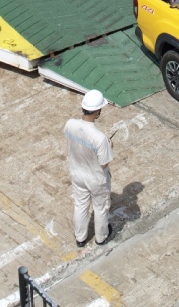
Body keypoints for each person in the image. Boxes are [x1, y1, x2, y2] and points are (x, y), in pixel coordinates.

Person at [64, 89, 112, 247]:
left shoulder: (70, 124)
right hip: (95, 178)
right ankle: (101, 237)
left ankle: (80, 238)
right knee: (100, 207)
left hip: (77, 173)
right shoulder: (99, 138)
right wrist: (109, 146)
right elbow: (104, 163)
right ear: (98, 112)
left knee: (80, 205)